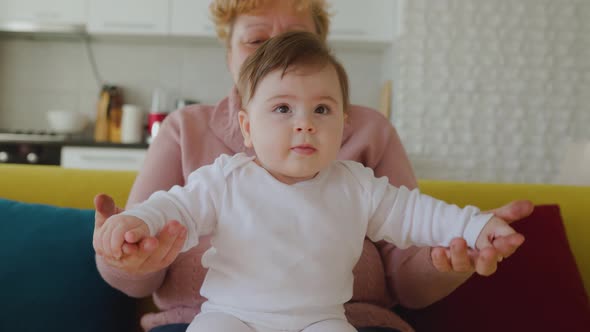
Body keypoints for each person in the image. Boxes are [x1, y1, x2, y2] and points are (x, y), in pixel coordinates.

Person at [93, 1, 534, 331]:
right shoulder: (221, 174)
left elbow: (417, 214)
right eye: (257, 41)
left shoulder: (358, 182)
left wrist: (474, 229)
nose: (304, 125)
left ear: (343, 123)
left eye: (321, 111)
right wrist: (132, 227)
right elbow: (174, 208)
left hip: (325, 319)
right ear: (230, 56)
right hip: (228, 316)